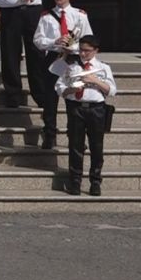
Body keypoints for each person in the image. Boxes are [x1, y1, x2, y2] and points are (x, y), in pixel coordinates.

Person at [52, 35, 115, 196]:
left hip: (96, 109)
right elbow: (59, 87)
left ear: (95, 51)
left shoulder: (103, 67)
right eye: (81, 50)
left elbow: (112, 91)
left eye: (87, 51)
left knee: (96, 146)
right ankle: (75, 180)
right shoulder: (72, 67)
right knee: (75, 145)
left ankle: (95, 181)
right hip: (76, 107)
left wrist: (95, 81)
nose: (83, 54)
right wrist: (71, 90)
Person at [33, 0, 93, 150]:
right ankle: (50, 134)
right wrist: (55, 41)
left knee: (73, 99)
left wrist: (74, 47)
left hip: (73, 58)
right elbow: (38, 40)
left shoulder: (80, 15)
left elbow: (88, 38)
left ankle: (76, 136)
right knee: (50, 99)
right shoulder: (46, 16)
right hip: (54, 57)